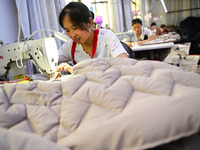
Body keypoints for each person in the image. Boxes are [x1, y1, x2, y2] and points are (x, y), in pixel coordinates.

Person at [57, 2, 128, 74]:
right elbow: (51, 59)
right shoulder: (71, 46)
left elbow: (124, 63)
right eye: (67, 30)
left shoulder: (107, 37)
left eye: (75, 28)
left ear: (90, 22)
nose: (72, 35)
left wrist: (75, 70)